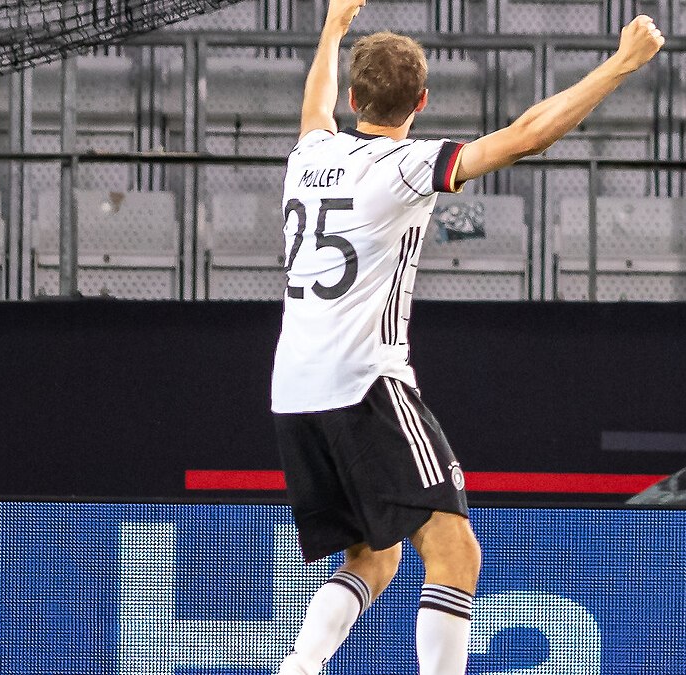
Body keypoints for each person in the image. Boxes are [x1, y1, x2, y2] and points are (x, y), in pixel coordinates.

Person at [269, 2, 664, 673]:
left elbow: (315, 105)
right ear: (423, 101)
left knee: (374, 555)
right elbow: (527, 136)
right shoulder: (407, 165)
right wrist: (622, 63)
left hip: (294, 389)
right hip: (364, 381)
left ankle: (298, 666)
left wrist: (333, 27)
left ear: (354, 99)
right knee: (456, 553)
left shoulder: (311, 154)